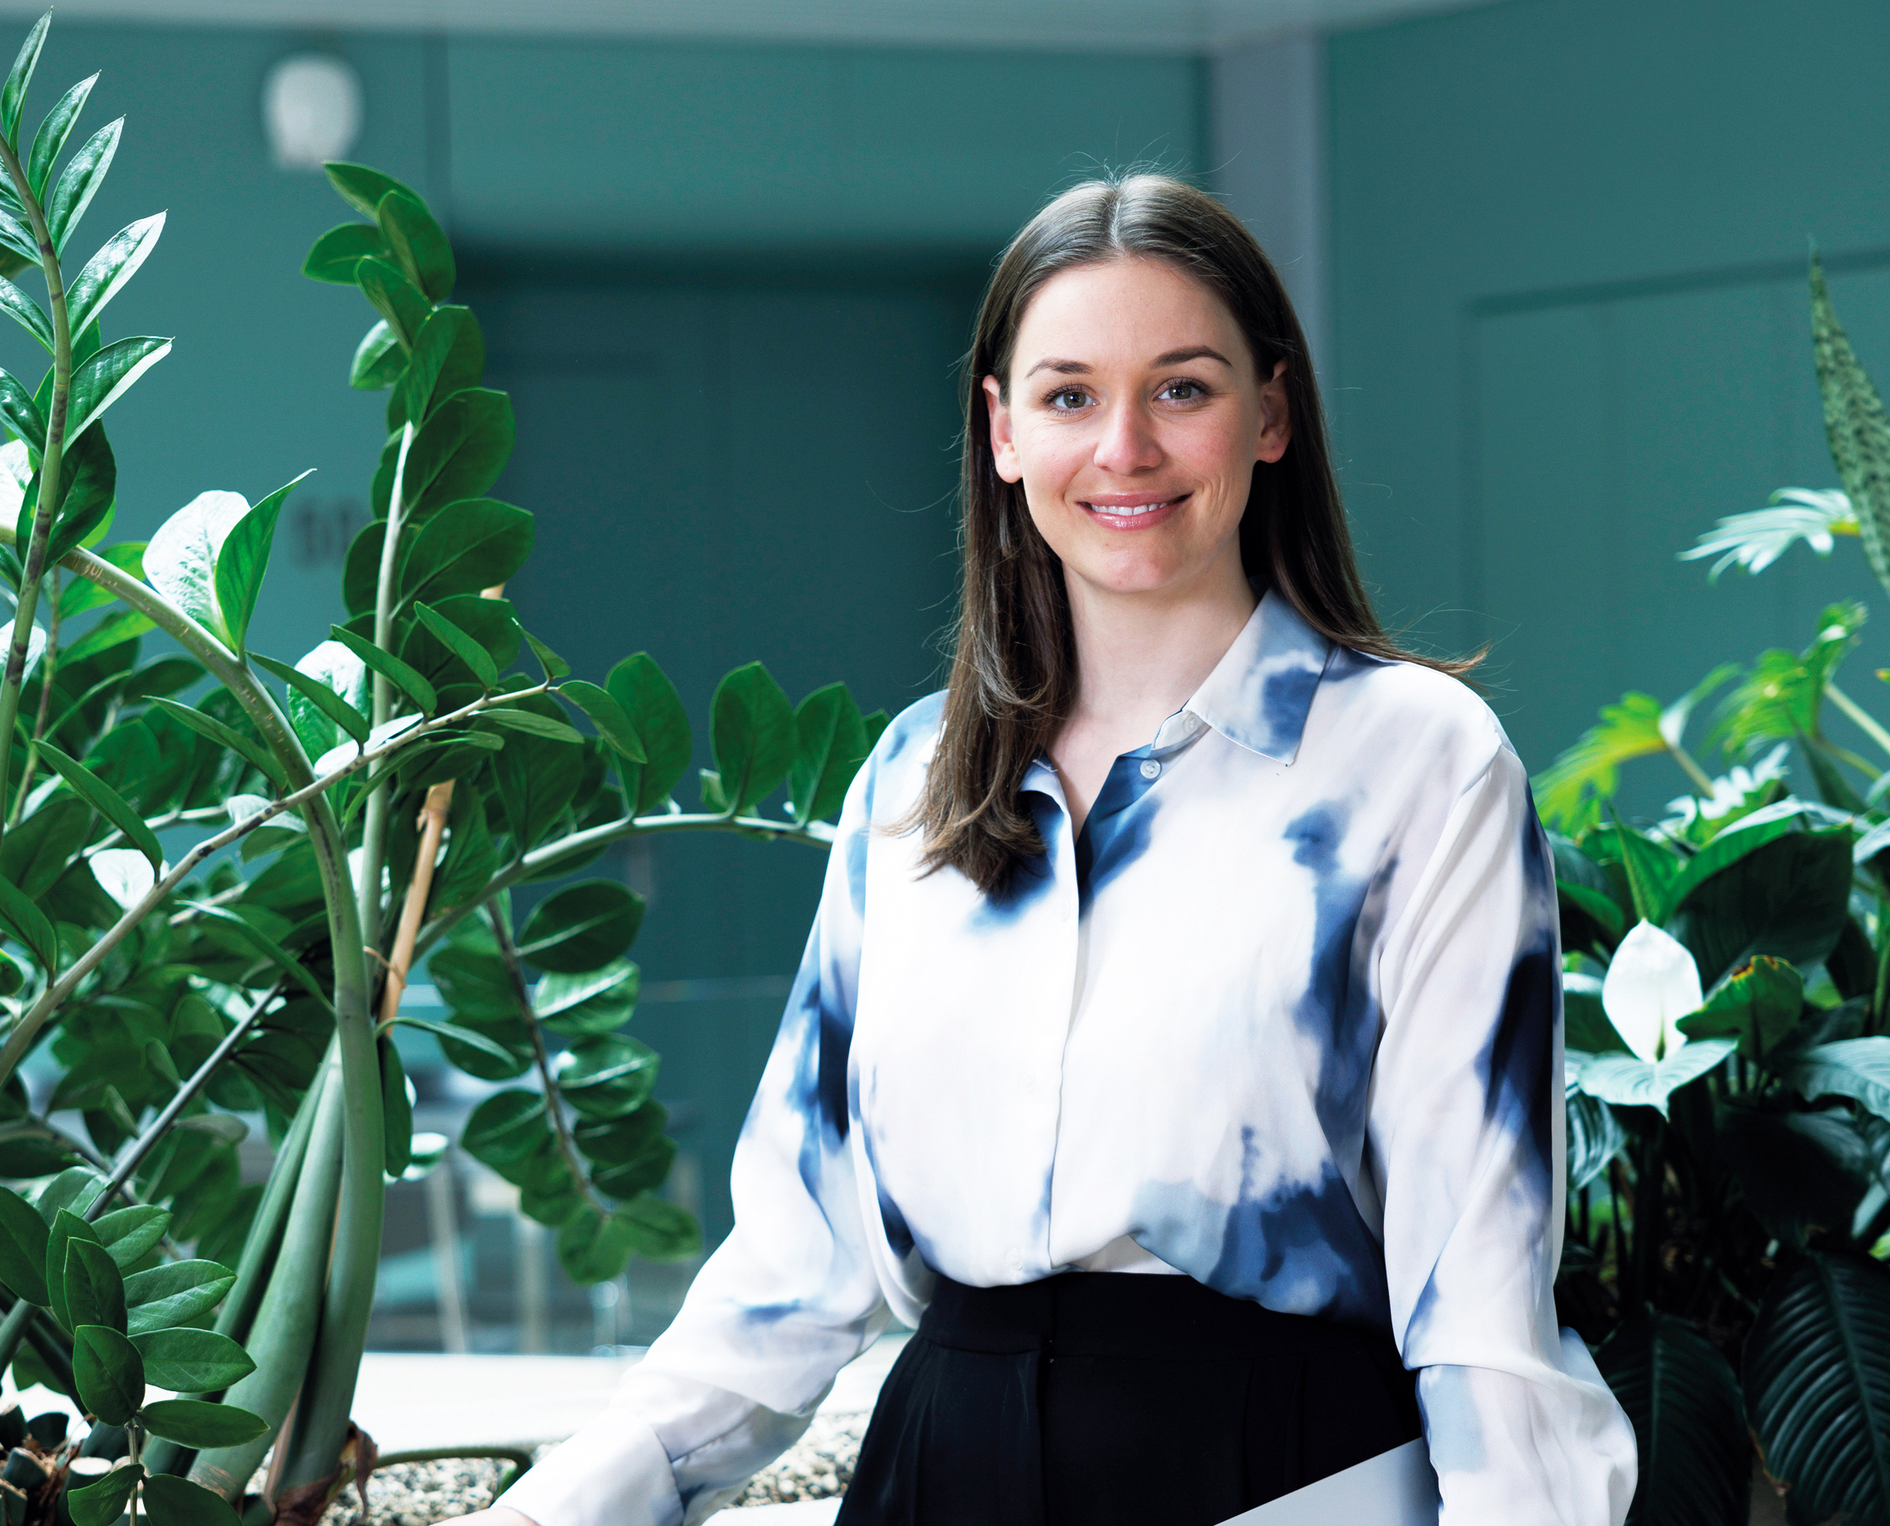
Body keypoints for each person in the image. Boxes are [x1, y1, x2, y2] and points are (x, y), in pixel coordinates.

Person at [456, 175, 1638, 1525]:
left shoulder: (1419, 763)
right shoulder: (912, 780)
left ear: (1271, 415)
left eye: (1181, 388)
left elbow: (1479, 1294)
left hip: (1280, 1466)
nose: (1124, 447)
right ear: (1003, 431)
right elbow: (794, 1265)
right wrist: (559, 1507)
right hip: (940, 1465)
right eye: (1070, 395)